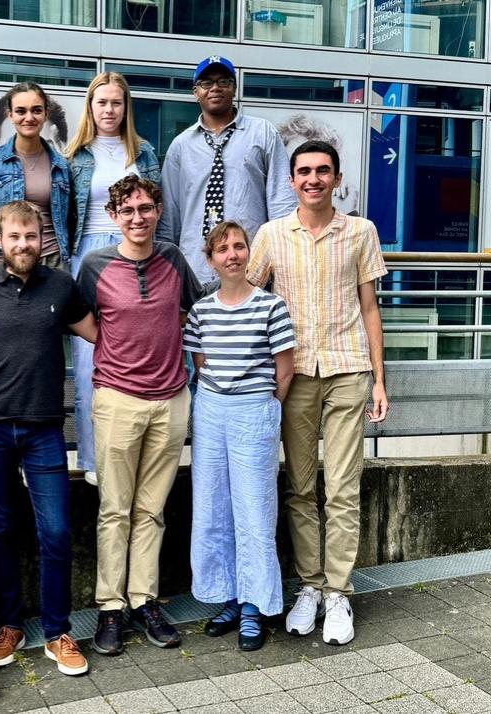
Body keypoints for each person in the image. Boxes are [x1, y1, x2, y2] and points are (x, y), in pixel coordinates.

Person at [247, 139, 389, 646]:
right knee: (301, 488)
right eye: (304, 171)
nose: (313, 179)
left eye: (322, 171)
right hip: (294, 377)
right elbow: (247, 300)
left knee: (344, 488)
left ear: (336, 178)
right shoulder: (270, 235)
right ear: (291, 180)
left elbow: (370, 308)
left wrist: (379, 378)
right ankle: (309, 586)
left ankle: (338, 594)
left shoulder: (360, 232)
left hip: (349, 370)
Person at [76, 175, 202, 657]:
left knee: (152, 510)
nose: (137, 217)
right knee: (115, 509)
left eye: (146, 208)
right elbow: (77, 315)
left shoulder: (172, 258)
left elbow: (193, 310)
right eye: (127, 210)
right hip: (117, 400)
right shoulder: (95, 264)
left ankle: (144, 600)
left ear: (157, 211)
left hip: (171, 399)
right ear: (113, 216)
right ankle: (110, 608)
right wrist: (111, 347)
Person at [0, 200, 97, 677]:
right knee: (1, 530)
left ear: (42, 239)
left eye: (30, 236)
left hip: (45, 429)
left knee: (57, 532)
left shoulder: (62, 285)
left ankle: (57, 630)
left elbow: (100, 335)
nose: (22, 244)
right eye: (13, 237)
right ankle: (10, 624)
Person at [183, 220, 296, 652]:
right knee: (213, 506)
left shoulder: (271, 307)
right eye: (222, 249)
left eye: (238, 246)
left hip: (254, 410)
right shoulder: (202, 311)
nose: (232, 254)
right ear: (210, 259)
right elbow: (201, 364)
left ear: (249, 252)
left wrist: (265, 407)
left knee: (254, 509)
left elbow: (283, 370)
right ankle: (227, 595)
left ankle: (255, 604)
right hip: (212, 411)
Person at [64, 71, 161, 487]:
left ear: (126, 107)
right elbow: (66, 216)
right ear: (91, 107)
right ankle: (93, 458)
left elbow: (158, 210)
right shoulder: (75, 156)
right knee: (90, 359)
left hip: (138, 254)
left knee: (137, 352)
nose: (109, 110)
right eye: (101, 102)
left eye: (116, 103)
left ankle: (135, 454)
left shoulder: (145, 152)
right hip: (90, 255)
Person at [157, 55, 296, 285]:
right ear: (195, 92)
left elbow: (281, 203)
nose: (215, 88)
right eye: (206, 83)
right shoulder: (180, 147)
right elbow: (169, 219)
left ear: (234, 88)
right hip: (195, 269)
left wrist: (282, 262)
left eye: (223, 81)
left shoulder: (262, 133)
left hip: (252, 267)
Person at [0, 82, 72, 273]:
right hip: (6, 261)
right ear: (10, 115)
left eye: (36, 110)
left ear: (46, 113)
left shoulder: (62, 165)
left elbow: (70, 218)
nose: (29, 117)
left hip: (52, 260)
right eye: (21, 111)